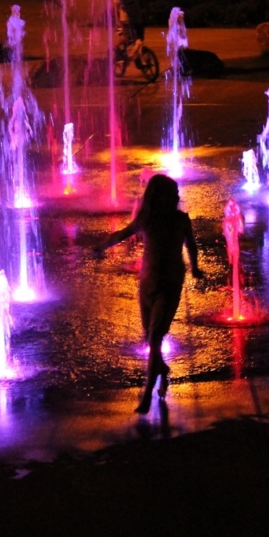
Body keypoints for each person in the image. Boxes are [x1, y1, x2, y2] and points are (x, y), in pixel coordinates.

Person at [93, 174, 203, 414]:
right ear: (157, 196)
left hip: (170, 283)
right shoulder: (147, 219)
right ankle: (162, 370)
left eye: (176, 193)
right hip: (147, 283)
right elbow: (122, 234)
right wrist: (100, 247)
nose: (176, 197)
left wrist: (195, 268)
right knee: (150, 338)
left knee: (155, 338)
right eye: (172, 193)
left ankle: (147, 395)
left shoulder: (181, 220)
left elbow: (191, 245)